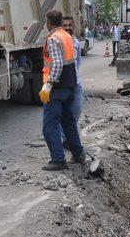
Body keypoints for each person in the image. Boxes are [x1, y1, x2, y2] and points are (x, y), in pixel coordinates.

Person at [39, 9, 86, 171]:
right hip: (69, 87)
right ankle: (78, 153)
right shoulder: (67, 37)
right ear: (60, 22)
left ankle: (58, 160)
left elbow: (57, 64)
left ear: (48, 23)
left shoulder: (53, 39)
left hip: (56, 90)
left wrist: (48, 85)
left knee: (49, 126)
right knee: (68, 122)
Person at [61, 16, 83, 147]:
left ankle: (68, 136)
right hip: (63, 85)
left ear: (73, 27)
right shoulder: (58, 42)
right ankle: (65, 139)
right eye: (65, 25)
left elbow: (78, 62)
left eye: (70, 25)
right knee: (62, 113)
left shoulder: (76, 43)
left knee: (77, 110)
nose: (68, 27)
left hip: (76, 83)